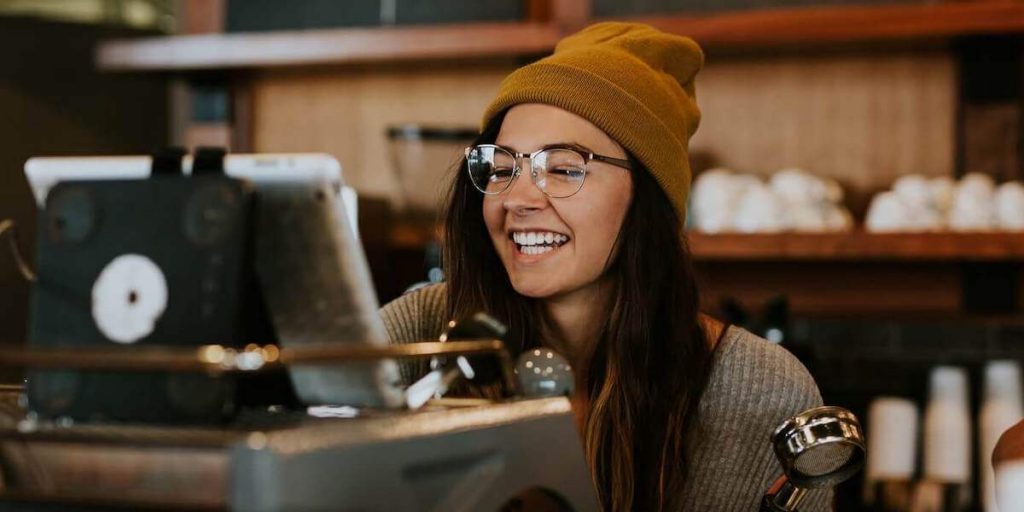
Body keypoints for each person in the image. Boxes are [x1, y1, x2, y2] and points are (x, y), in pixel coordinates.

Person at [380, 22, 830, 511]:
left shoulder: (760, 390)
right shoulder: (414, 336)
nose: (518, 199)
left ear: (646, 198)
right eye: (503, 167)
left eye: (564, 168)